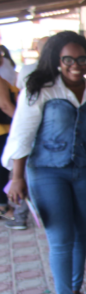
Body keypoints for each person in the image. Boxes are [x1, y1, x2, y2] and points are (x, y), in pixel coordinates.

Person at [2, 31, 86, 294]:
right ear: (57, 60)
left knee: (81, 234)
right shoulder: (40, 90)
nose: (75, 64)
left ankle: (75, 291)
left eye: (81, 59)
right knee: (61, 238)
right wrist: (17, 177)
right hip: (46, 172)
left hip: (85, 171)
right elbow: (22, 134)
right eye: (68, 59)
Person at [0, 76, 17, 218]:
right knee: (1, 171)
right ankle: (2, 207)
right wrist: (21, 122)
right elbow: (5, 105)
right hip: (2, 131)